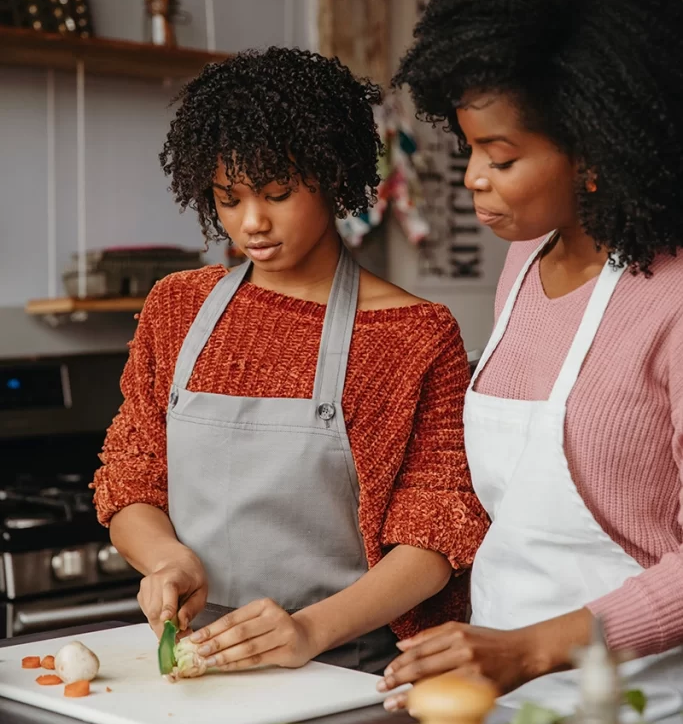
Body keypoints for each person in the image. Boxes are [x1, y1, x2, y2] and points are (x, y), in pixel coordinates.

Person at [92, 47, 488, 674]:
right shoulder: (177, 307)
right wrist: (168, 559)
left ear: (332, 176)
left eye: (277, 193)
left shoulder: (414, 333)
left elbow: (436, 536)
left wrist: (306, 630)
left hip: (343, 660)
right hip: (194, 656)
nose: (252, 223)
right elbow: (130, 477)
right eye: (228, 199)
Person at [379, 0, 683, 718]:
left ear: (591, 154)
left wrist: (535, 648)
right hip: (502, 703)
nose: (473, 176)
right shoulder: (520, 264)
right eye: (468, 147)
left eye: (499, 154)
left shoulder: (672, 301)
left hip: (643, 720)